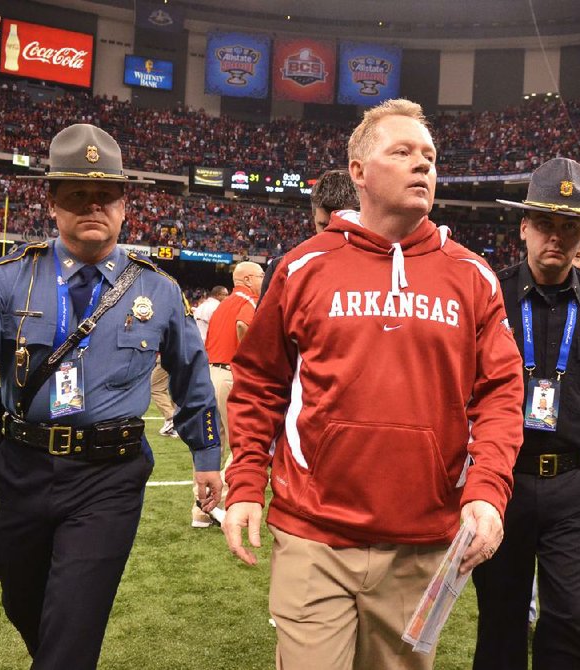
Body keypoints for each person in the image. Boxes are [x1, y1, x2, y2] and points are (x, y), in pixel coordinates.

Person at [0, 124, 222, 669]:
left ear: (125, 204)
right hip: (23, 466)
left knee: (73, 621)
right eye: (76, 194)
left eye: (106, 195)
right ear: (52, 203)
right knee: (21, 596)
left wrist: (207, 459)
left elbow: (192, 376)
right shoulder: (5, 279)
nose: (92, 205)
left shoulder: (159, 290)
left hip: (110, 475)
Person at [222, 98, 524, 669]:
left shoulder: (473, 276)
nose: (422, 166)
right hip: (313, 532)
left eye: (430, 156)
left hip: (423, 540)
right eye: (403, 152)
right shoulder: (303, 266)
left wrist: (487, 489)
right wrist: (244, 485)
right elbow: (260, 382)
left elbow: (502, 393)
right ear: (358, 171)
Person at [473, 157, 580, 670]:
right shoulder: (490, 294)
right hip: (503, 483)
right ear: (524, 226)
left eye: (570, 226)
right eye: (545, 223)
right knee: (500, 622)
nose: (557, 237)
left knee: (571, 621)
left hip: (575, 489)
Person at [192, 261, 263, 528]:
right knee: (242, 441)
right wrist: (253, 358)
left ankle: (200, 510)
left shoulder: (222, 305)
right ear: (246, 279)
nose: (262, 280)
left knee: (213, 444)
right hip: (232, 375)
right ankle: (213, 504)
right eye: (260, 275)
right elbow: (244, 326)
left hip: (210, 372)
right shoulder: (249, 300)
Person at [259, 169, 358, 301]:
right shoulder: (282, 269)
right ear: (313, 217)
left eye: (341, 225)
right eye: (324, 226)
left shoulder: (382, 268)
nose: (331, 235)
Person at [151, 353, 179, 437]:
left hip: (167, 354)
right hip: (182, 355)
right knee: (175, 388)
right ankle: (177, 425)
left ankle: (171, 418)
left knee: (155, 388)